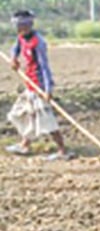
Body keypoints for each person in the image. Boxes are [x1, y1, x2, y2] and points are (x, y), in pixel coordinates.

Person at [6, 10, 72, 160]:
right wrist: (13, 59)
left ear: (28, 25)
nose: (18, 29)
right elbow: (15, 48)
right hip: (29, 84)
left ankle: (62, 150)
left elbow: (44, 67)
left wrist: (47, 90)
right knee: (24, 113)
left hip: (39, 86)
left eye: (20, 26)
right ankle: (25, 145)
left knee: (45, 119)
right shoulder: (21, 38)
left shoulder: (38, 42)